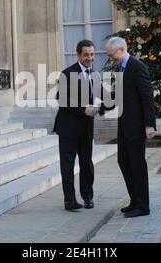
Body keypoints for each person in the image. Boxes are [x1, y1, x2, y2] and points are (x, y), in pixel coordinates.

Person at [100, 37, 157, 217]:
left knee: (137, 164)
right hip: (124, 125)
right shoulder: (122, 67)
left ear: (122, 50)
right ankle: (135, 200)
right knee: (124, 161)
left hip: (136, 126)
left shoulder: (137, 66)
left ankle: (143, 206)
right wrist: (99, 108)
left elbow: (147, 96)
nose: (111, 59)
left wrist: (149, 124)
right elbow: (117, 96)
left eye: (112, 55)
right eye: (109, 56)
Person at [53, 40, 99, 211]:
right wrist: (84, 110)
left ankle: (88, 197)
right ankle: (70, 201)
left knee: (87, 163)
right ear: (78, 55)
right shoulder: (67, 73)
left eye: (92, 54)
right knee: (68, 165)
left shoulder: (94, 74)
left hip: (87, 127)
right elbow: (62, 100)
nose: (90, 58)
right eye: (86, 54)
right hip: (68, 127)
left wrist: (98, 107)